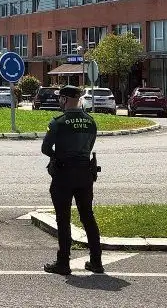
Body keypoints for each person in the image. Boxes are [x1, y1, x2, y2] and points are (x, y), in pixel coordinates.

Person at [41, 85, 104, 275]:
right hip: (85, 174)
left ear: (65, 100)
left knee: (63, 218)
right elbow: (89, 145)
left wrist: (58, 155)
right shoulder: (90, 122)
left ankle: (63, 263)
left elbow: (45, 148)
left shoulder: (58, 122)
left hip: (63, 175)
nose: (59, 101)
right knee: (88, 216)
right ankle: (96, 261)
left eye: (60, 98)